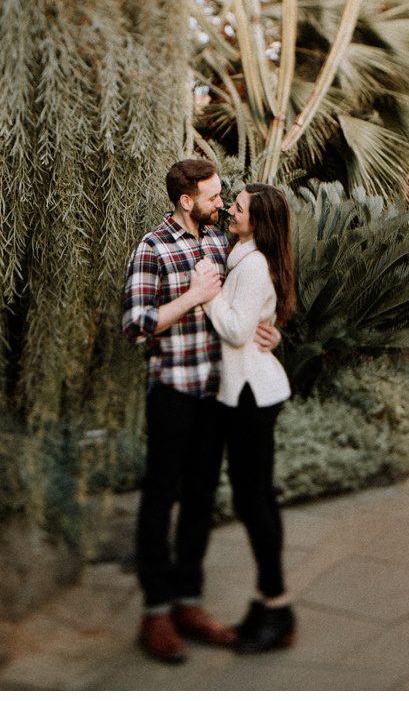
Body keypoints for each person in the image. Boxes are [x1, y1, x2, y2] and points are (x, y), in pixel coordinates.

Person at [120, 158, 280, 665]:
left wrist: (270, 333)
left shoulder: (218, 243)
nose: (220, 202)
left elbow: (243, 306)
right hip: (172, 392)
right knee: (160, 497)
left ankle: (188, 602)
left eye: (220, 196)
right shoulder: (153, 247)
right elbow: (135, 323)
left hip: (217, 395)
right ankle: (156, 612)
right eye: (212, 196)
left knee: (200, 499)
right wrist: (192, 296)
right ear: (186, 200)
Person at [207, 182, 298, 654]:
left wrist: (205, 293)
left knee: (254, 501)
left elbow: (237, 330)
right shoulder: (244, 254)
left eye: (238, 208)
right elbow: (258, 324)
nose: (229, 210)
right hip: (249, 390)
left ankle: (277, 607)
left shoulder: (254, 264)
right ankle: (270, 603)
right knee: (255, 498)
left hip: (251, 396)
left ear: (257, 220)